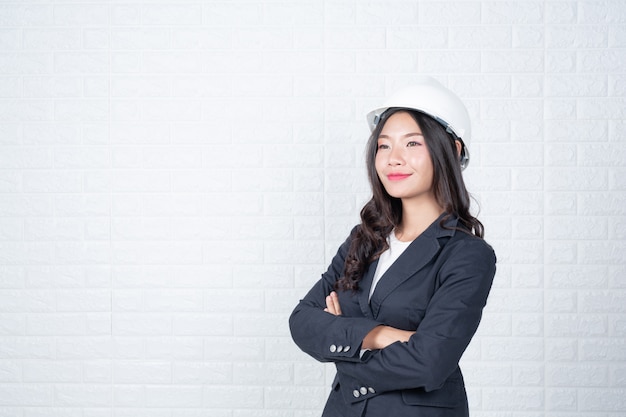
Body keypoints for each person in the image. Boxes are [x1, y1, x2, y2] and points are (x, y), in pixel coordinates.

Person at [289, 76, 497, 417]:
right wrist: (381, 335)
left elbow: (430, 361)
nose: (393, 159)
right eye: (384, 145)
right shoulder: (364, 238)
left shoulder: (467, 255)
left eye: (412, 144)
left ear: (452, 149)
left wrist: (343, 345)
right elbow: (302, 322)